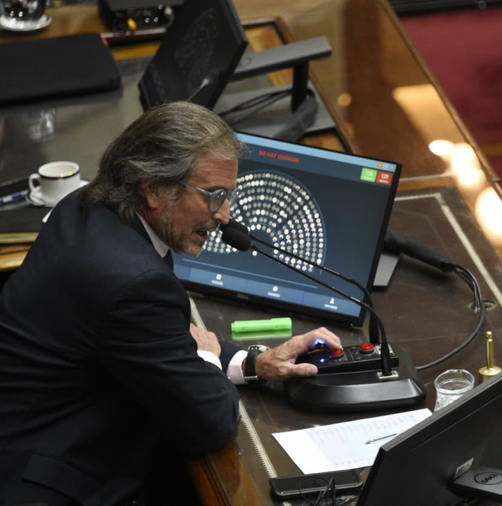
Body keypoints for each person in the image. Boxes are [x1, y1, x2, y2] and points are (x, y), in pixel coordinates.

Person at [0, 102, 342, 506]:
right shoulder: (131, 279)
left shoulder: (87, 208)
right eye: (215, 196)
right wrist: (208, 359)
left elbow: (160, 343)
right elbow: (211, 424)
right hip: (60, 481)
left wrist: (253, 363)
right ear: (154, 188)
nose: (225, 216)